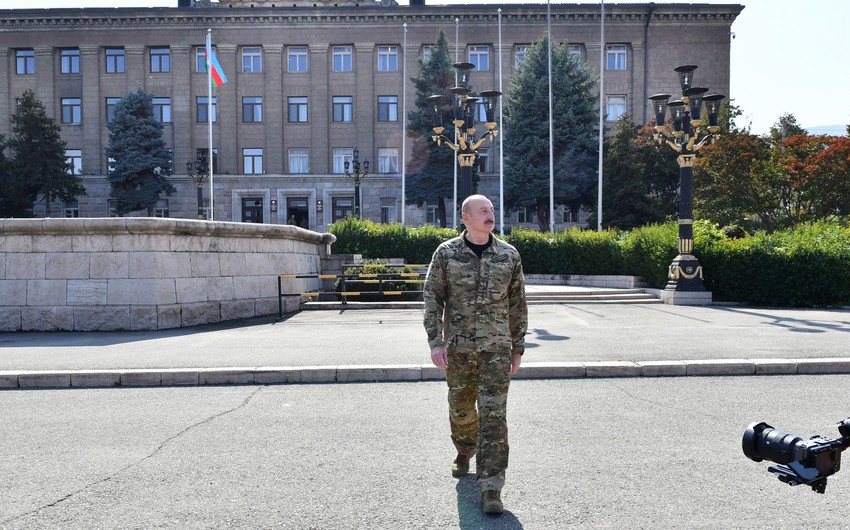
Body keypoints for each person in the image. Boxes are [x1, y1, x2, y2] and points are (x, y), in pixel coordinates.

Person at [423, 194, 528, 515]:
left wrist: (518, 346)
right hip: (458, 350)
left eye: (492, 210)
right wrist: (435, 342)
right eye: (483, 211)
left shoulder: (509, 255)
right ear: (466, 217)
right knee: (461, 409)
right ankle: (464, 450)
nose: (490, 214)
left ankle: (492, 486)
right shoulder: (447, 253)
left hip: (496, 351)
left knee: (494, 417)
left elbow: (517, 304)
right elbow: (432, 297)